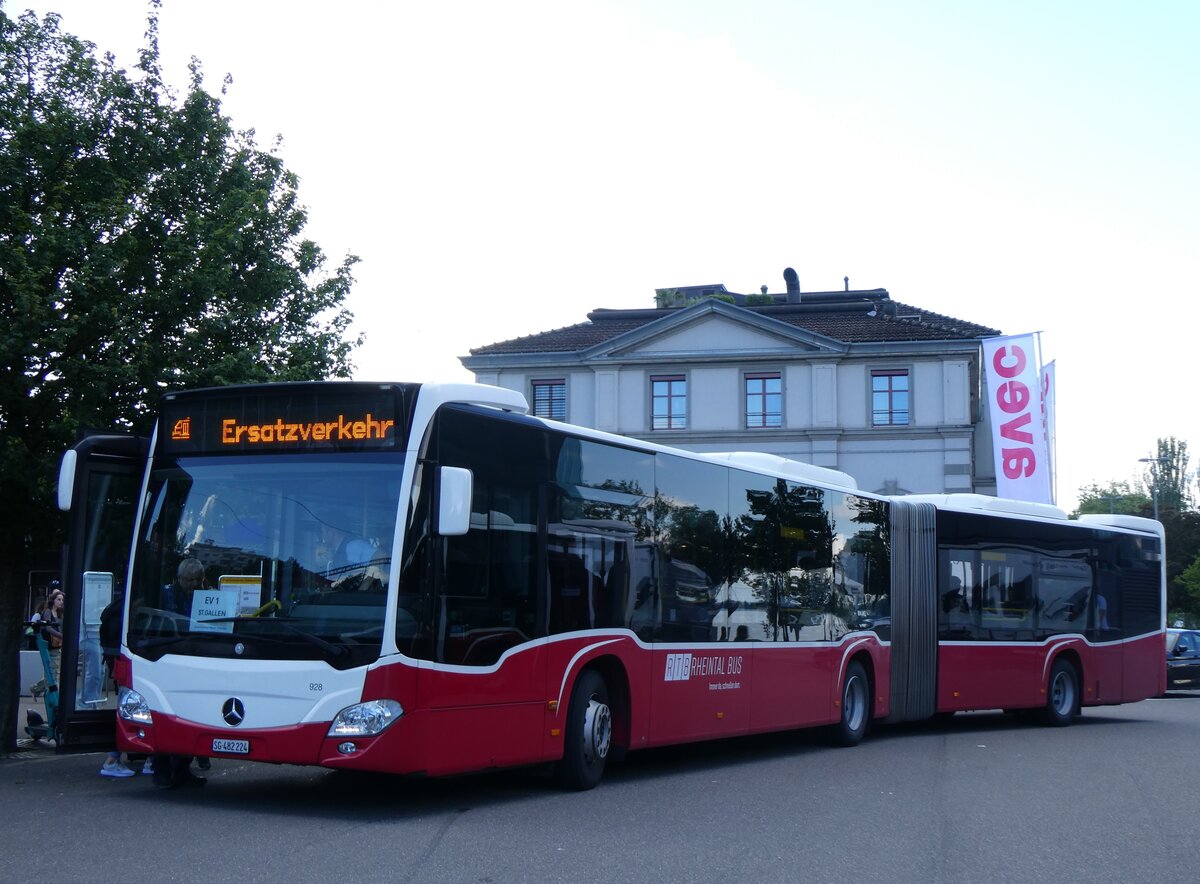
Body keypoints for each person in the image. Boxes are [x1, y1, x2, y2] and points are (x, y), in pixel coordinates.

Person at [149, 559, 209, 788]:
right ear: (179, 578)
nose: (193, 585)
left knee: (191, 714)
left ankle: (182, 767)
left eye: (197, 580)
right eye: (189, 580)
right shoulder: (166, 596)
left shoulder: (204, 596)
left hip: (194, 658)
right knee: (164, 715)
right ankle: (161, 770)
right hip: (168, 657)